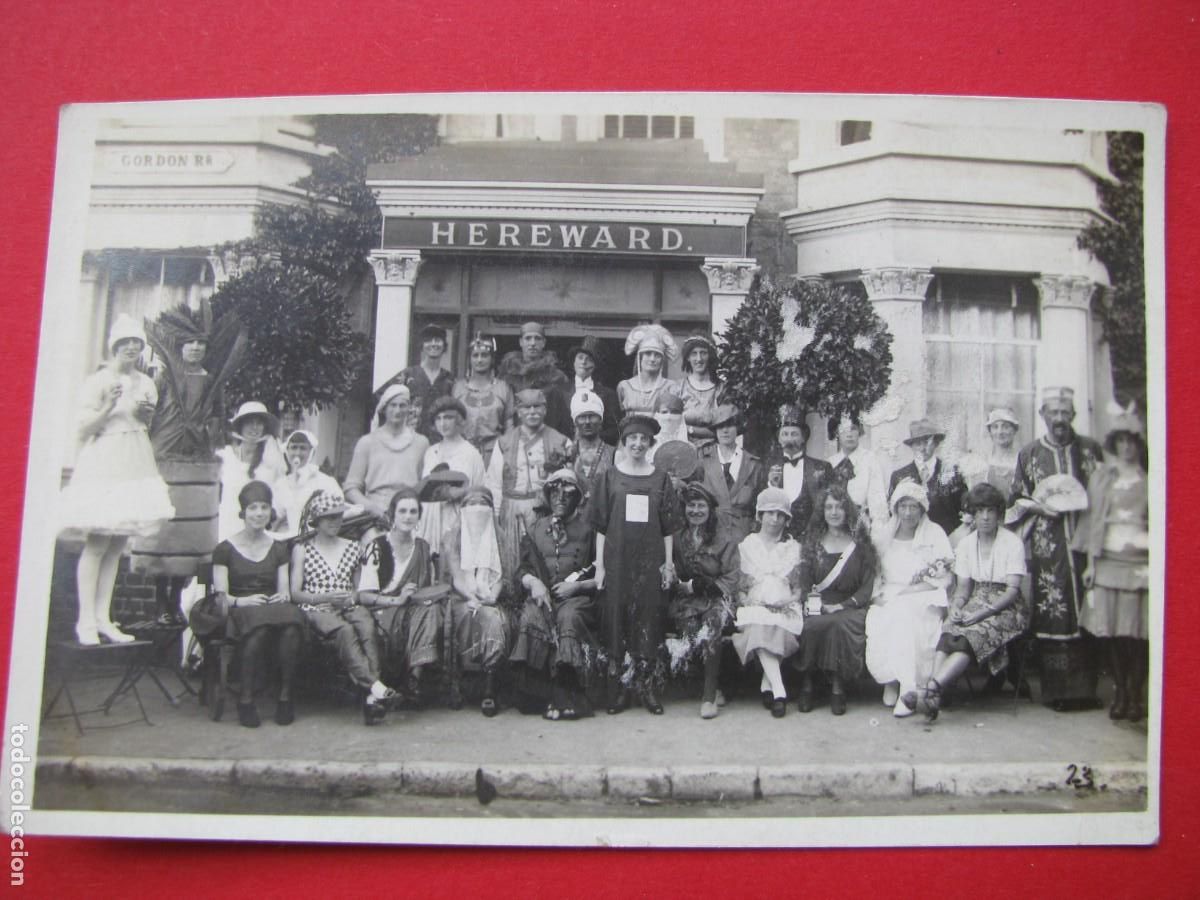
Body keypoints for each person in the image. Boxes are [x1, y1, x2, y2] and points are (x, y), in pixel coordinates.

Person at [59, 314, 175, 645]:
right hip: (106, 461)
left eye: (136, 344)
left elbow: (147, 424)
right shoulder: (98, 381)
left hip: (135, 461)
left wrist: (146, 416)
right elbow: (82, 429)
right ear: (115, 346)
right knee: (98, 543)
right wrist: (109, 406)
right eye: (125, 343)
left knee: (117, 546)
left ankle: (104, 618)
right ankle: (85, 622)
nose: (131, 348)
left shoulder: (146, 383)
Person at [1010, 386, 1104, 710]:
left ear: (1074, 415)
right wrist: (1039, 508)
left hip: (1085, 542)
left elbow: (1103, 496)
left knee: (1087, 612)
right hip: (1048, 545)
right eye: (1053, 412)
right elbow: (1017, 497)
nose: (1060, 419)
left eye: (1065, 412)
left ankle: (1086, 691)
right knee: (1053, 612)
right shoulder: (1030, 454)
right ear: (1043, 416)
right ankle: (1058, 693)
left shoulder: (1091, 451)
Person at [591, 414, 682, 715]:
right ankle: (620, 690)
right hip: (617, 562)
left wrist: (667, 565)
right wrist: (601, 567)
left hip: (650, 562)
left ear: (650, 443)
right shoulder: (610, 477)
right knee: (617, 621)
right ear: (624, 442)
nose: (638, 444)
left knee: (649, 621)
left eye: (644, 439)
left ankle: (647, 689)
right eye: (633, 439)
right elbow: (601, 527)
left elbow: (668, 527)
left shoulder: (660, 479)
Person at [289, 490, 395, 726]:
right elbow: (295, 593)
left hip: (347, 603)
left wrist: (350, 598)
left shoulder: (352, 547)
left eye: (338, 517)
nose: (335, 523)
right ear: (316, 522)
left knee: (367, 627)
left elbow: (359, 589)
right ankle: (375, 687)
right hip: (316, 605)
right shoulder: (303, 548)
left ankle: (371, 698)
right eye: (329, 518)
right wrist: (324, 597)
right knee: (345, 631)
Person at [926, 483, 1029, 721]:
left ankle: (932, 689)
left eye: (990, 511)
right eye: (979, 510)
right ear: (972, 513)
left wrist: (982, 614)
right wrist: (957, 607)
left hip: (1008, 607)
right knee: (949, 630)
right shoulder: (966, 544)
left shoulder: (1012, 542)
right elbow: (963, 589)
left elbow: (1013, 591)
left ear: (998, 514)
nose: (985, 517)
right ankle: (936, 692)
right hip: (976, 599)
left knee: (969, 637)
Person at [1074, 407, 1149, 722]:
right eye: (1121, 441)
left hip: (1140, 563)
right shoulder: (1103, 477)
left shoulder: (1152, 478)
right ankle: (1119, 691)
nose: (1127, 447)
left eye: (1132, 441)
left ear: (1139, 444)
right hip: (1107, 562)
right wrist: (1091, 563)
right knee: (1112, 633)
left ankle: (1135, 693)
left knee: (1137, 633)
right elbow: (1092, 523)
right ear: (1114, 444)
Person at [212, 480, 307, 728]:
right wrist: (242, 600)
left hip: (270, 607)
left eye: (264, 507)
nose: (259, 513)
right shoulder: (224, 549)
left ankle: (285, 697)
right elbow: (221, 595)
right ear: (243, 512)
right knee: (260, 630)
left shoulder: (278, 548)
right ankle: (246, 699)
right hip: (240, 609)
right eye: (253, 508)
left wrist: (282, 596)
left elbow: (284, 590)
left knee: (292, 627)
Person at [510, 469, 600, 720]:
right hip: (544, 597)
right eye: (554, 493)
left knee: (568, 617)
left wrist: (578, 587)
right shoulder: (536, 529)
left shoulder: (589, 530)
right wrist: (534, 583)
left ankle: (569, 697)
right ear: (547, 496)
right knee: (531, 616)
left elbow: (605, 574)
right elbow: (522, 569)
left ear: (577, 498)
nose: (560, 499)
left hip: (578, 599)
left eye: (567, 494)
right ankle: (541, 697)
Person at [865, 481, 954, 718]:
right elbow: (874, 573)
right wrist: (876, 597)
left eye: (913, 506)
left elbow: (943, 575)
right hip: (890, 592)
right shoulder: (885, 535)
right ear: (895, 508)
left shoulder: (934, 533)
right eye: (903, 506)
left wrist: (910, 592)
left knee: (904, 615)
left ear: (922, 509)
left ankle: (908, 687)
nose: (907, 512)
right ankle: (891, 681)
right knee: (884, 616)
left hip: (925, 593)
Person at [793, 485, 876, 716]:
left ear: (847, 510)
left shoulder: (859, 543)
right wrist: (813, 604)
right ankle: (807, 683)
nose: (834, 512)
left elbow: (867, 586)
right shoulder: (813, 542)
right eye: (828, 507)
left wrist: (842, 605)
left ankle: (838, 686)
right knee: (811, 624)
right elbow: (804, 581)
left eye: (839, 506)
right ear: (822, 511)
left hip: (850, 605)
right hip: (819, 601)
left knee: (839, 624)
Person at [357, 487, 441, 705]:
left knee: (430, 609)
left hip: (414, 608)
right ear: (392, 514)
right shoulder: (377, 546)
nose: (408, 517)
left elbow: (428, 587)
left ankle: (414, 679)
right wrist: (396, 599)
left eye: (413, 512)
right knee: (423, 613)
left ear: (419, 516)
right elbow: (364, 596)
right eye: (402, 511)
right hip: (384, 608)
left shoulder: (423, 547)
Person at [486, 388, 571, 594]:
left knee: (541, 559)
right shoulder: (504, 442)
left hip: (544, 510)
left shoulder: (561, 440)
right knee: (512, 559)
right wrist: (496, 517)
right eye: (527, 407)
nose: (532, 412)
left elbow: (568, 482)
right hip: (511, 509)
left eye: (537, 406)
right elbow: (495, 483)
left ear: (545, 410)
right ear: (518, 411)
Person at [733, 487, 805, 719]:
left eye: (780, 514)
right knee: (759, 623)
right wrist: (750, 601)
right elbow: (741, 587)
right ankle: (780, 692)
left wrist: (788, 600)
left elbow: (798, 589)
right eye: (770, 513)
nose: (775, 519)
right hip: (755, 602)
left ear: (787, 519)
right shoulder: (747, 546)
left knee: (780, 623)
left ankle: (768, 686)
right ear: (760, 515)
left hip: (784, 603)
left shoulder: (793, 548)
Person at [669, 482, 739, 719]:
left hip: (717, 599)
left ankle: (709, 696)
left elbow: (732, 577)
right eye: (691, 506)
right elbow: (673, 572)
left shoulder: (724, 538)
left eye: (701, 506)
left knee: (711, 625)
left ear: (710, 510)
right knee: (689, 626)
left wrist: (706, 586)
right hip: (687, 601)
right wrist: (677, 581)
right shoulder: (678, 539)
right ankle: (710, 684)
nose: (695, 511)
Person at [442, 486, 510, 717]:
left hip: (489, 597)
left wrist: (492, 596)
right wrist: (471, 597)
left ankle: (489, 685)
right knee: (462, 616)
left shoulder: (500, 537)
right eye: (471, 505)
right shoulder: (451, 538)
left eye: (483, 505)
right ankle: (456, 683)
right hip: (461, 596)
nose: (477, 510)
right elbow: (455, 576)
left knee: (493, 618)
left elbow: (502, 575)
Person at [344, 384, 430, 526]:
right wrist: (371, 508)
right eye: (393, 405)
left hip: (409, 515)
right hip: (374, 516)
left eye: (402, 405)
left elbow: (424, 487)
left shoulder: (421, 443)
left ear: (409, 409)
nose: (397, 410)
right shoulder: (367, 442)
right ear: (384, 408)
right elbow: (351, 488)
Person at [416, 396, 486, 555]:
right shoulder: (431, 452)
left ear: (459, 420)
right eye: (438, 418)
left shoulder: (471, 454)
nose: (443, 423)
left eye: (448, 417)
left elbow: (479, 491)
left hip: (457, 519)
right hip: (430, 520)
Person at [693, 404, 767, 545]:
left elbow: (760, 505)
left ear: (738, 428)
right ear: (715, 430)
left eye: (730, 425)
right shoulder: (702, 459)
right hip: (710, 534)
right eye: (720, 426)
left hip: (742, 537)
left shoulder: (753, 464)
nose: (725, 431)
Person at [217, 401, 287, 540]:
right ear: (241, 425)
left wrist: (271, 528)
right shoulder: (225, 456)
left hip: (259, 531)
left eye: (259, 423)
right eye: (249, 422)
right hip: (226, 527)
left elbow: (281, 498)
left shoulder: (272, 459)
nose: (254, 427)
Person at [887, 418, 967, 538]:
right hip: (911, 541)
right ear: (912, 446)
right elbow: (891, 513)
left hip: (947, 539)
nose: (923, 448)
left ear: (935, 444)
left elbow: (964, 509)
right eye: (918, 443)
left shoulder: (951, 472)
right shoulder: (899, 476)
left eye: (927, 442)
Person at [374, 323, 455, 442]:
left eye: (438, 340)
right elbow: (382, 398)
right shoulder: (408, 375)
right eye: (428, 340)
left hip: (441, 443)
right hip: (410, 442)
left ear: (444, 346)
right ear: (422, 345)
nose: (433, 344)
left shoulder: (450, 379)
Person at [765, 403, 833, 543]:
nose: (789, 439)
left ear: (803, 438)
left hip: (812, 542)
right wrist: (772, 484)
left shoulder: (822, 468)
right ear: (779, 439)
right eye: (785, 434)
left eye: (794, 434)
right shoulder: (767, 469)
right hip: (777, 543)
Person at [547, 335, 619, 446]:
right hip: (564, 450)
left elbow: (614, 431)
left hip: (597, 450)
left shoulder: (608, 395)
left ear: (595, 365)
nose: (584, 362)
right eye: (580, 358)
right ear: (574, 362)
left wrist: (590, 439)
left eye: (589, 359)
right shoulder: (558, 392)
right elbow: (551, 428)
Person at [270, 429, 342, 539]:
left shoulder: (326, 482)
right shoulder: (281, 484)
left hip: (319, 541)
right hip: (292, 540)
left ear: (311, 452)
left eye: (303, 448)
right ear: (287, 451)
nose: (297, 453)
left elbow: (338, 516)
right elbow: (276, 518)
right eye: (294, 448)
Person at [453, 334, 513, 458]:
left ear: (492, 359)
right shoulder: (458, 388)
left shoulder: (503, 388)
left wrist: (506, 451)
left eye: (484, 355)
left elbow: (509, 424)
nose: (479, 360)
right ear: (469, 359)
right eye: (475, 355)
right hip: (463, 451)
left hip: (495, 452)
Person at [826, 417, 887, 526]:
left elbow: (878, 501)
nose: (849, 434)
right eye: (844, 429)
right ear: (836, 433)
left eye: (853, 428)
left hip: (860, 523)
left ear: (859, 431)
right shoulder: (830, 462)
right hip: (834, 524)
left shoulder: (870, 459)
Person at [498, 321, 569, 412]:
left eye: (537, 338)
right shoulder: (507, 376)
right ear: (521, 342)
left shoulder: (556, 376)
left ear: (543, 342)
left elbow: (562, 412)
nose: (532, 343)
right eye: (528, 338)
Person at [616, 324, 680, 418]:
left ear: (662, 360)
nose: (652, 359)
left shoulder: (670, 387)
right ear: (640, 357)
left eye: (657, 355)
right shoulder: (624, 387)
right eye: (648, 353)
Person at [568, 390, 615, 512]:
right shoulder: (566, 453)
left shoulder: (614, 454)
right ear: (575, 421)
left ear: (600, 420)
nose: (587, 421)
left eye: (592, 416)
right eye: (582, 417)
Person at [677, 334, 726, 449]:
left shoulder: (721, 389)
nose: (699, 359)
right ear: (688, 357)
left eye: (703, 353)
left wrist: (690, 429)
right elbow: (672, 424)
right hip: (683, 451)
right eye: (694, 353)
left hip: (714, 452)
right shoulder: (678, 388)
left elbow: (724, 431)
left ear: (710, 356)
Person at [963, 407, 1022, 494]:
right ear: (990, 431)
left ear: (1014, 430)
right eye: (995, 427)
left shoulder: (1022, 461)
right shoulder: (981, 461)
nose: (1000, 432)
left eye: (1005, 426)